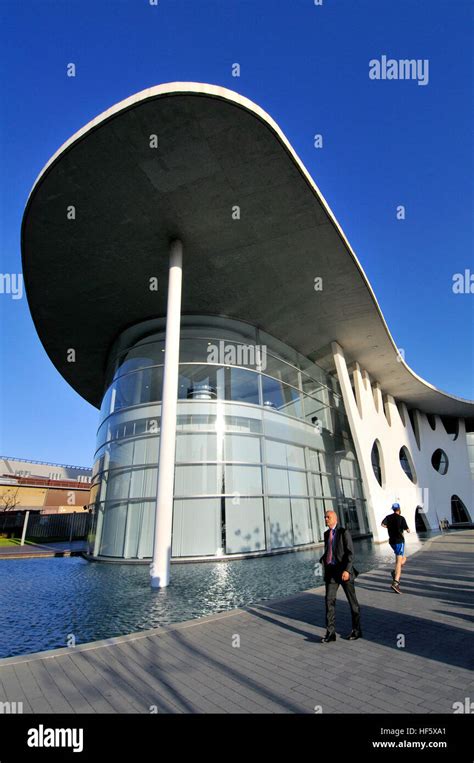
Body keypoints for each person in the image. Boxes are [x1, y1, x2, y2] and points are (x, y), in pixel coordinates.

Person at [319, 510, 362, 642]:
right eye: (325, 517)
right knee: (329, 601)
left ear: (335, 518)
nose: (326, 519)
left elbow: (350, 553)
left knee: (352, 602)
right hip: (331, 573)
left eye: (328, 517)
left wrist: (347, 570)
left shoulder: (344, 532)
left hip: (344, 573)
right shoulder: (326, 534)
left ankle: (357, 630)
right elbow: (330, 550)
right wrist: (323, 559)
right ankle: (330, 633)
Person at [381, 502, 410, 594]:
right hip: (399, 541)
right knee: (398, 562)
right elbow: (408, 529)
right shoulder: (401, 518)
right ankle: (395, 583)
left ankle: (395, 572)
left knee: (404, 558)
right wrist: (406, 529)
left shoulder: (388, 517)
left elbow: (382, 524)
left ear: (393, 509)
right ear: (399, 509)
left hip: (392, 541)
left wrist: (389, 527)